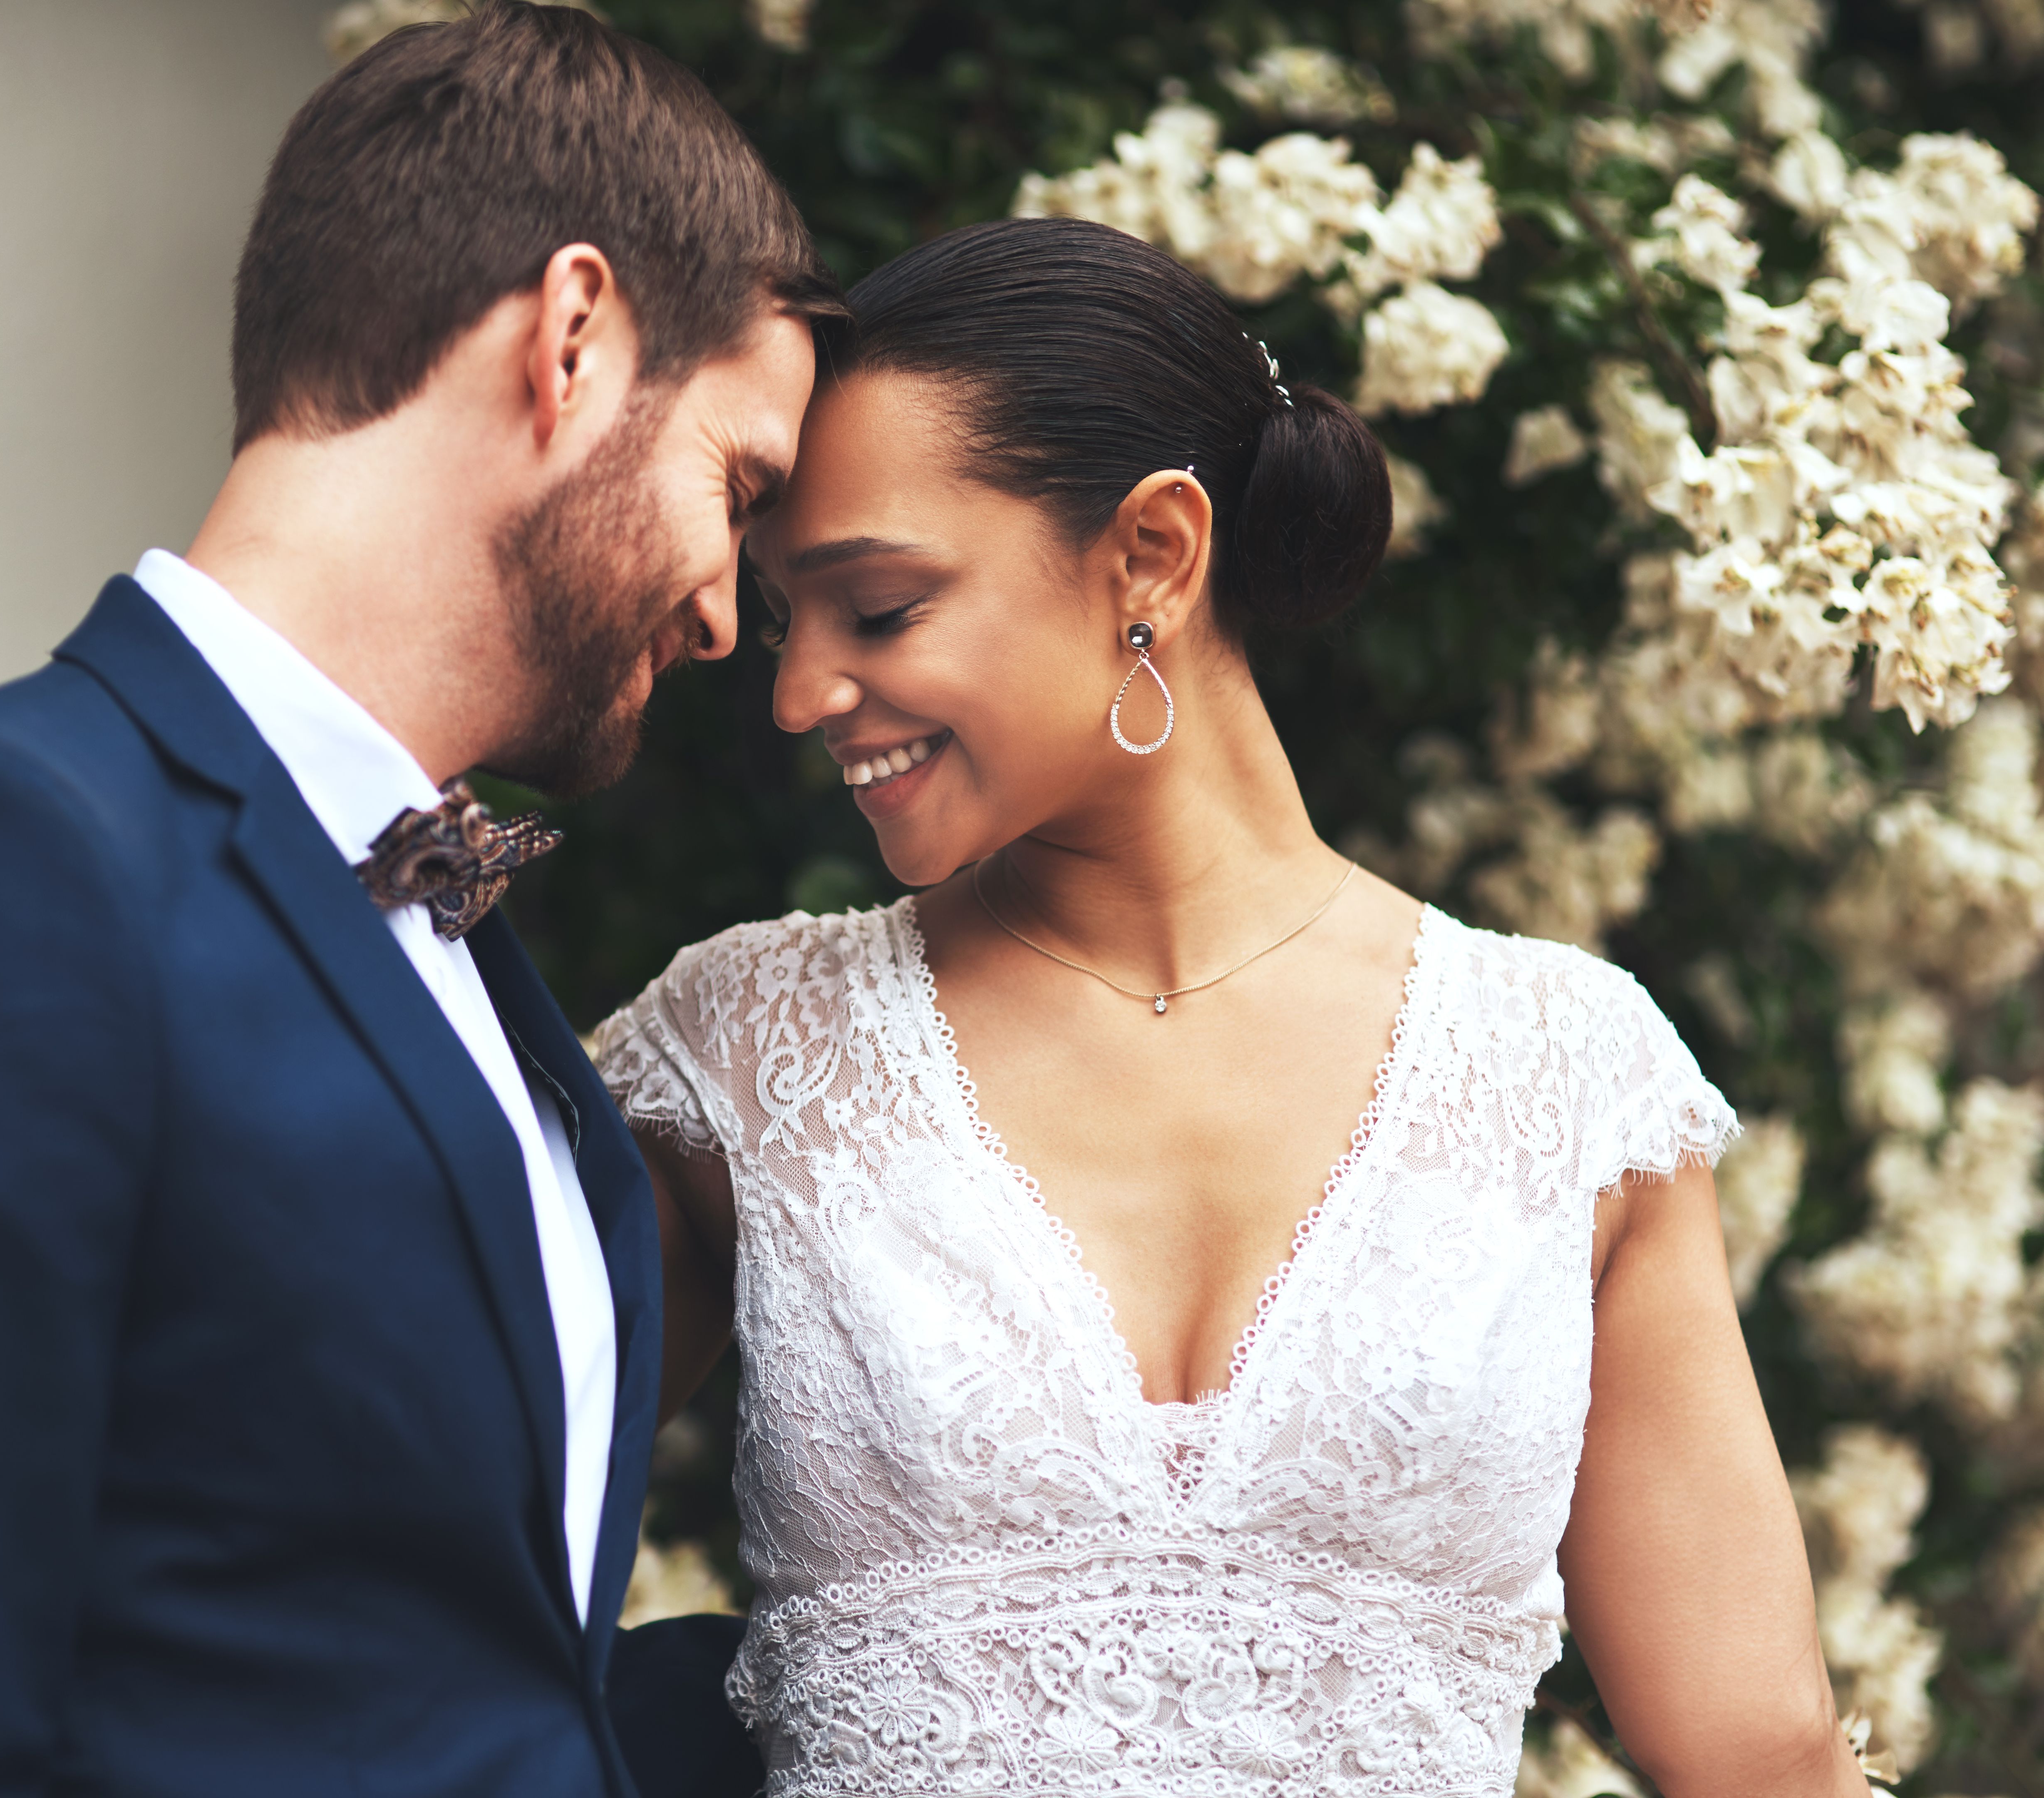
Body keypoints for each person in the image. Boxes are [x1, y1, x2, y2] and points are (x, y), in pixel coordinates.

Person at [0, 7, 841, 1793]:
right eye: (733, 489)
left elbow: (434, 1666)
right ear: (573, 340)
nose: (722, 620)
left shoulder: (460, 948)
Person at [597, 216, 1869, 1795]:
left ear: (1151, 553)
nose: (798, 697)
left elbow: (1761, 1760)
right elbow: (404, 1551)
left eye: (879, 608)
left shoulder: (1568, 1078)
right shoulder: (744, 1053)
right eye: (787, 623)